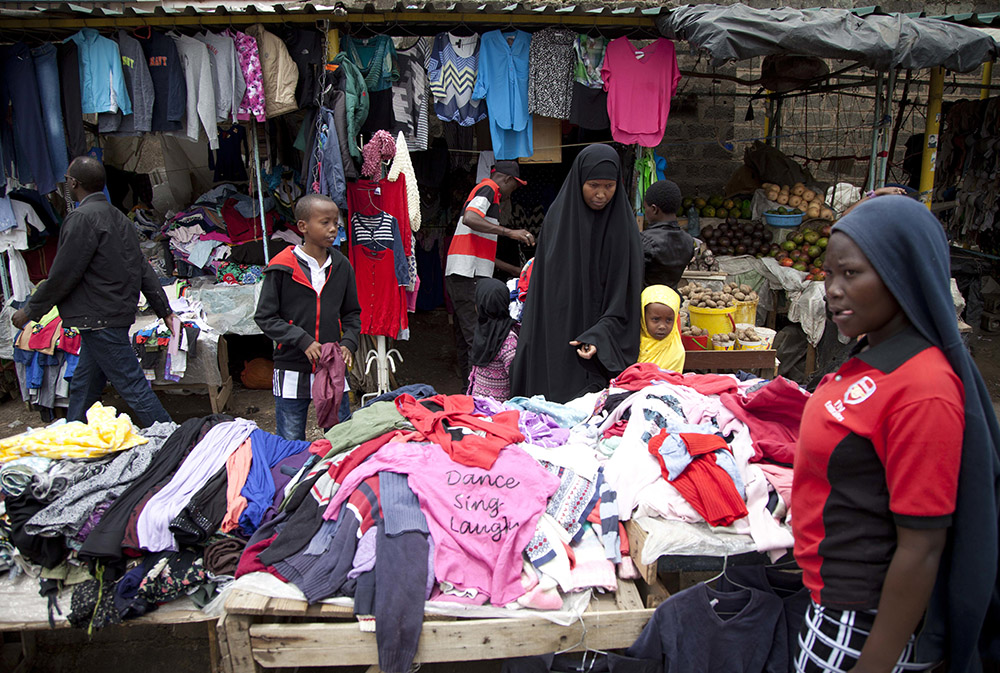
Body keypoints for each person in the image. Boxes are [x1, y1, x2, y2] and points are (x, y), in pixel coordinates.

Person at [792, 196, 1000, 673]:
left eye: (851, 273)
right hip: (830, 596)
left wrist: (874, 664)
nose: (833, 291)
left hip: (861, 622)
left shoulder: (923, 388)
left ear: (901, 272)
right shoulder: (876, 352)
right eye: (828, 275)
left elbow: (922, 547)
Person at [11, 156, 176, 427]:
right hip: (110, 316)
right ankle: (73, 433)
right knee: (84, 385)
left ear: (74, 183)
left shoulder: (80, 218)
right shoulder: (119, 218)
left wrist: (30, 311)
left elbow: (63, 274)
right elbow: (142, 269)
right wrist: (163, 308)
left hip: (98, 319)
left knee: (133, 387)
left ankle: (174, 441)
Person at [510, 144, 643, 402]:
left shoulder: (624, 231)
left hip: (601, 344)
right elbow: (546, 292)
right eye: (594, 185)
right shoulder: (557, 223)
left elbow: (625, 295)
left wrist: (600, 335)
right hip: (559, 333)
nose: (601, 194)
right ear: (580, 179)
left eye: (609, 186)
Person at [254, 194, 362, 441]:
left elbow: (352, 313)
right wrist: (302, 340)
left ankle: (334, 479)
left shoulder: (341, 265)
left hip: (332, 364)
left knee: (340, 436)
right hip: (291, 365)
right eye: (325, 222)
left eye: (335, 222)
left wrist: (349, 343)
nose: (333, 228)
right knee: (291, 437)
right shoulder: (281, 266)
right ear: (303, 226)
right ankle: (294, 480)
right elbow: (265, 316)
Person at [444, 160, 533, 386]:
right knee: (477, 337)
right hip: (467, 276)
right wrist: (509, 233)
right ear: (507, 180)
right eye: (515, 186)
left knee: (466, 338)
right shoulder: (489, 189)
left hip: (463, 273)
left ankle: (468, 391)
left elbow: (482, 252)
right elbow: (470, 218)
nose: (512, 193)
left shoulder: (485, 193)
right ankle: (480, 391)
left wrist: (515, 270)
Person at [467, 278, 518, 400]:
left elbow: (516, 375)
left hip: (497, 410)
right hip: (477, 404)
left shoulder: (508, 338)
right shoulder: (483, 330)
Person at [639, 180, 695, 290]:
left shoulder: (644, 241)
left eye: (646, 208)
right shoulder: (688, 241)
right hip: (671, 301)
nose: (646, 212)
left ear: (654, 209)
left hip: (646, 302)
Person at [638, 285, 684, 373]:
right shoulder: (633, 344)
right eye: (656, 319)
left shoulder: (675, 350)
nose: (662, 326)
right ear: (644, 318)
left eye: (669, 320)